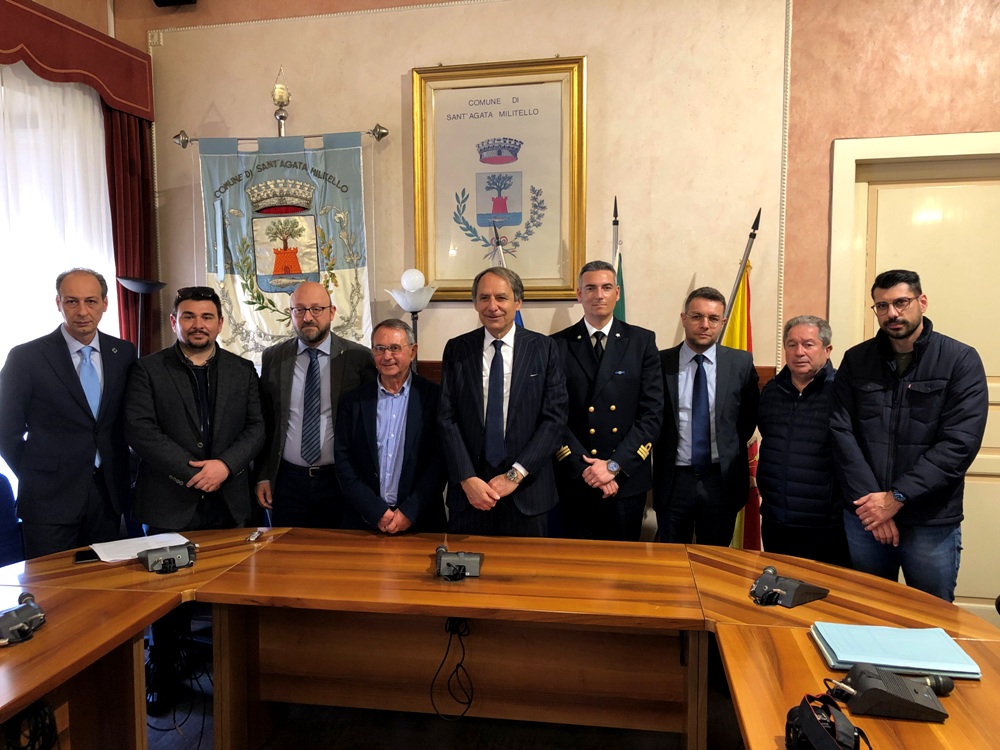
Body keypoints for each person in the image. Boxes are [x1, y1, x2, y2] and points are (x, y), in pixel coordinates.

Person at [831, 269, 987, 601]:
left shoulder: (960, 360)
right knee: (867, 614)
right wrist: (874, 505)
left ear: (922, 302)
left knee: (931, 618)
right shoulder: (856, 360)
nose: (892, 313)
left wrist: (897, 498)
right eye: (882, 306)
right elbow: (841, 431)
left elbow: (959, 443)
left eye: (901, 302)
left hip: (929, 520)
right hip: (866, 517)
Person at [0, 269, 136, 558]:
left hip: (107, 495)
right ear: (58, 303)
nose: (82, 311)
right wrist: (36, 474)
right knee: (51, 582)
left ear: (105, 303)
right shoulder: (26, 357)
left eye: (91, 301)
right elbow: (6, 431)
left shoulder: (123, 352)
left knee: (103, 580)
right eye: (72, 301)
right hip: (48, 499)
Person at [438, 267, 567, 537]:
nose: (492, 306)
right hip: (471, 495)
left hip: (527, 493)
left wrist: (514, 475)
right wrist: (467, 478)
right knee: (465, 564)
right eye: (484, 298)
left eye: (501, 297)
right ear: (475, 303)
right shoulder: (457, 349)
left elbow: (554, 421)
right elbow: (447, 419)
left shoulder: (544, 348)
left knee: (524, 566)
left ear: (518, 302)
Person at [125, 285, 265, 533]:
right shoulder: (147, 369)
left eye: (207, 317)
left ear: (220, 324)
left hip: (229, 502)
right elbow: (140, 430)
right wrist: (195, 473)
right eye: (188, 317)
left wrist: (225, 466)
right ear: (174, 322)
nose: (198, 325)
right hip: (168, 504)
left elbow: (256, 427)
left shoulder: (242, 370)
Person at [551, 260, 663, 541]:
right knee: (576, 563)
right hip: (577, 478)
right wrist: (587, 470)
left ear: (617, 293)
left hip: (625, 479)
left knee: (624, 563)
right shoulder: (556, 345)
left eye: (606, 287)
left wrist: (613, 467)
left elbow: (651, 414)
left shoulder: (641, 342)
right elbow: (553, 416)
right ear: (579, 294)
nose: (598, 295)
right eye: (590, 288)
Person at [255, 281, 376, 528]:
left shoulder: (358, 358)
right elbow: (266, 422)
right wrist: (264, 475)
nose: (308, 317)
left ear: (331, 312)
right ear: (290, 313)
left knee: (338, 548)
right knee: (287, 549)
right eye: (299, 310)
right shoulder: (274, 357)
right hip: (288, 482)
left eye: (316, 309)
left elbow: (370, 424)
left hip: (340, 481)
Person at [653, 287, 758, 545]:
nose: (704, 325)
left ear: (723, 322)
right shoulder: (659, 362)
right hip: (674, 480)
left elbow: (747, 419)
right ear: (683, 318)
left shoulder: (741, 363)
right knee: (672, 558)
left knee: (715, 559)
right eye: (697, 316)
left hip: (720, 481)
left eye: (713, 318)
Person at [334, 319, 446, 534]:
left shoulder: (435, 398)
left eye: (395, 348)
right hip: (364, 521)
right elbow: (344, 460)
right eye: (380, 348)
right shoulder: (354, 401)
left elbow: (439, 461)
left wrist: (409, 512)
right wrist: (375, 511)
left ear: (412, 351)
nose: (387, 356)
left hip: (421, 520)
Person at [757, 315, 849, 566]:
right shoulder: (772, 390)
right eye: (792, 344)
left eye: (808, 344)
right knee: (778, 585)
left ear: (827, 350)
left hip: (825, 525)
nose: (799, 352)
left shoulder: (843, 392)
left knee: (822, 589)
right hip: (776, 521)